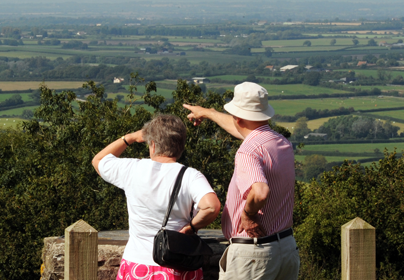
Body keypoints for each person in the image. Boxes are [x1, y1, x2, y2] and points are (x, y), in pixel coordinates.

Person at [183, 82, 299, 279]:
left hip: (254, 255)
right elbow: (244, 130)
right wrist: (208, 112)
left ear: (237, 117)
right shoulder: (281, 142)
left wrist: (248, 213)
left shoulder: (248, 151)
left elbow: (260, 191)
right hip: (286, 248)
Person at [92, 114, 221, 279]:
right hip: (179, 265)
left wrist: (130, 137)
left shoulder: (132, 169)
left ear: (152, 144)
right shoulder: (190, 176)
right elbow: (211, 206)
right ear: (181, 145)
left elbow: (98, 160)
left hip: (137, 263)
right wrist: (191, 227)